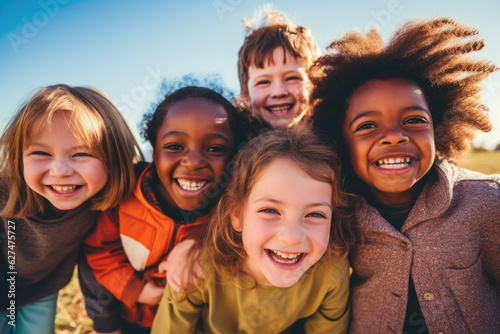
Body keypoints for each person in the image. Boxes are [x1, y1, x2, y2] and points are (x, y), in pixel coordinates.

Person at [310, 18, 500, 333]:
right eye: (367, 126)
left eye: (413, 120)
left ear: (437, 131)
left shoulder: (485, 202)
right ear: (340, 142)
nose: (394, 137)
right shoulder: (336, 213)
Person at [152, 126, 356, 333]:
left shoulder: (332, 274)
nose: (291, 237)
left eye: (315, 214)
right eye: (270, 210)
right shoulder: (196, 268)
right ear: (237, 215)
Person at [83, 86, 247, 333]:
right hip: (130, 319)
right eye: (174, 146)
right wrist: (135, 290)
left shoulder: (231, 212)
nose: (193, 161)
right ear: (154, 151)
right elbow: (100, 251)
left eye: (214, 149)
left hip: (190, 323)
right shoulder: (124, 196)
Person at [0, 84, 143, 334]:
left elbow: (93, 260)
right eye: (42, 152)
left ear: (114, 158)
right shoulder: (4, 194)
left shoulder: (99, 205)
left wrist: (107, 325)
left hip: (42, 291)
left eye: (80, 154)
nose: (60, 171)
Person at [237, 6, 321, 129]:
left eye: (292, 78)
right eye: (263, 82)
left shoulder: (338, 138)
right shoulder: (233, 142)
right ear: (246, 97)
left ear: (315, 84)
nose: (279, 92)